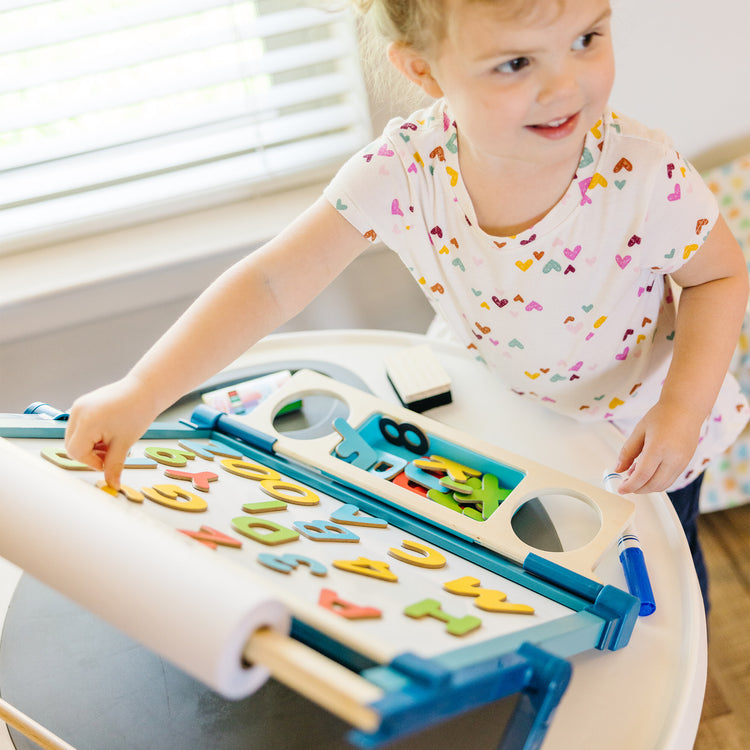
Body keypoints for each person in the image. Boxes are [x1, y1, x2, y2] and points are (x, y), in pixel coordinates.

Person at [65, 0, 748, 611]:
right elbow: (272, 281)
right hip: (504, 414)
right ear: (423, 72)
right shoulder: (403, 171)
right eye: (515, 62)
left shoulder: (641, 172)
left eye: (588, 38)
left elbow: (718, 278)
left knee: (664, 582)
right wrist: (142, 389)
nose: (566, 85)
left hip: (640, 430)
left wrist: (681, 411)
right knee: (527, 573)